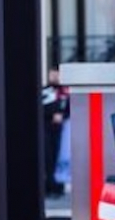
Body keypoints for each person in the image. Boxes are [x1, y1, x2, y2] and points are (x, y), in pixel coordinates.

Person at [41, 69, 68, 198]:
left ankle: (53, 184)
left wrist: (62, 115)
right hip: (46, 128)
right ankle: (48, 184)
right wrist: (51, 115)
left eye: (56, 74)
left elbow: (68, 108)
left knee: (56, 156)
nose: (55, 77)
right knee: (48, 156)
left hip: (58, 130)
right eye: (52, 74)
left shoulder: (64, 92)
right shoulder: (45, 91)